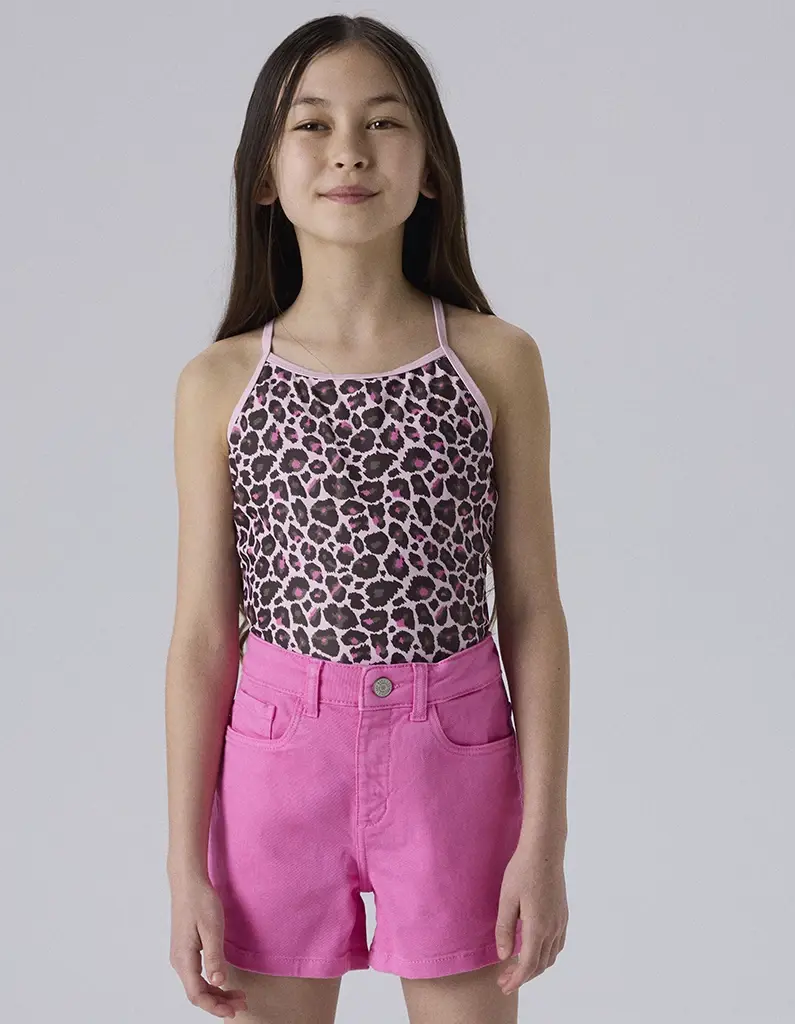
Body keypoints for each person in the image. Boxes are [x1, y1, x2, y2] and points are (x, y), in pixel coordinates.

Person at [165, 14, 569, 1022]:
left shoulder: (494, 361)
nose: (349, 149)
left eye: (384, 122)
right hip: (277, 759)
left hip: (454, 753)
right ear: (264, 174)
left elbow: (530, 609)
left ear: (430, 168)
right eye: (312, 125)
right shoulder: (220, 383)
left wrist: (545, 838)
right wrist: (183, 864)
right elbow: (205, 633)